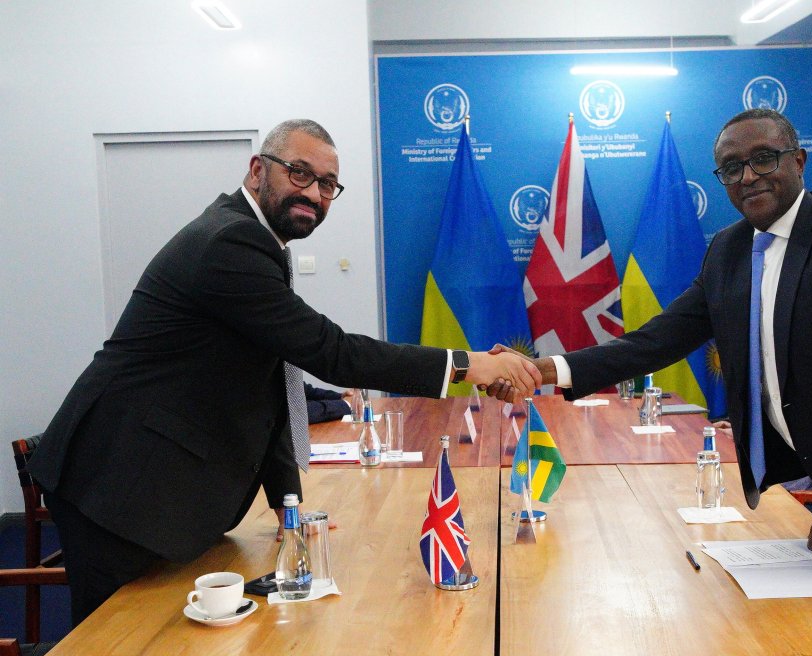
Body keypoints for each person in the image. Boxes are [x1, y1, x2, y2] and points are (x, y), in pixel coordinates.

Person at [29, 118, 541, 624]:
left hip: (163, 485)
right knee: (113, 655)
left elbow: (273, 377)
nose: (314, 193)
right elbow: (330, 352)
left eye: (326, 184)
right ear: (257, 170)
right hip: (118, 483)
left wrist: (286, 504)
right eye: (299, 172)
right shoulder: (229, 242)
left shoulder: (258, 243)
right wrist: (469, 365)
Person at [493, 108, 812, 620]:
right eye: (731, 167)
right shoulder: (729, 250)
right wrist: (545, 370)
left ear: (798, 161)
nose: (748, 176)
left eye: (763, 158)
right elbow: (656, 341)